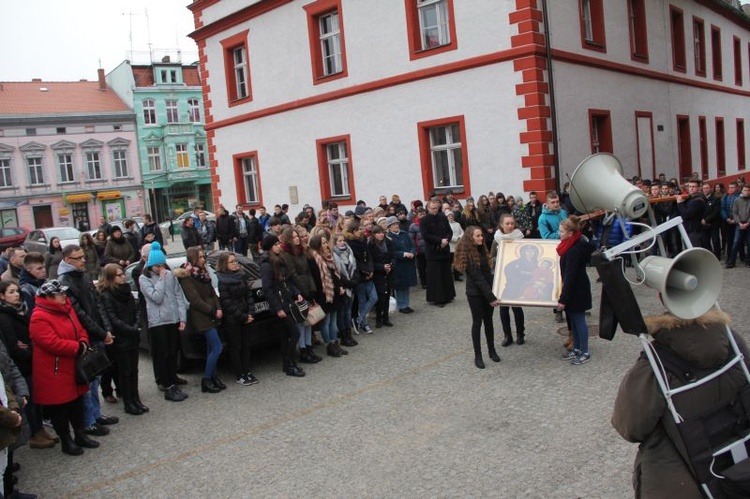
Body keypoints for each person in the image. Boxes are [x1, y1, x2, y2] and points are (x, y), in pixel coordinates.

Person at [612, 307, 750, 498]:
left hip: (677, 483)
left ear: (661, 296)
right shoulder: (732, 341)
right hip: (738, 466)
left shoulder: (654, 365)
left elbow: (629, 427)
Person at [29, 280, 98, 456]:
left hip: (72, 367)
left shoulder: (66, 309)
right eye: (60, 294)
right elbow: (51, 343)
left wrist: (83, 341)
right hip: (55, 371)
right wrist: (77, 347)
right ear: (49, 298)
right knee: (60, 409)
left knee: (76, 404)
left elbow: (80, 329)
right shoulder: (39, 316)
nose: (64, 296)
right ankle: (66, 441)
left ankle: (80, 435)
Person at [57, 245, 118, 437]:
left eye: (83, 256)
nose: (83, 260)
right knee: (88, 382)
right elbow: (80, 315)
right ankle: (88, 421)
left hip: (96, 334)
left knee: (96, 378)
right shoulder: (64, 282)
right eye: (78, 258)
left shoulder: (83, 276)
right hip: (83, 337)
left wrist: (106, 329)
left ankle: (96, 414)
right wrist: (101, 332)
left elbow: (97, 303)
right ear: (68, 260)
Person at [0, 281, 57, 450]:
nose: (16, 294)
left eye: (17, 291)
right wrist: (31, 353)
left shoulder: (20, 310)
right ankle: (35, 433)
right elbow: (13, 346)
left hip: (30, 359)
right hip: (23, 364)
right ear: (2, 296)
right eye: (11, 292)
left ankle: (40, 429)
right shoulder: (4, 316)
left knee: (36, 399)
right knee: (29, 401)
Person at [139, 242, 189, 402]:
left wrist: (182, 317)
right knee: (163, 354)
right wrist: (160, 279)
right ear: (151, 265)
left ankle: (173, 380)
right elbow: (156, 297)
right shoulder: (143, 278)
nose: (161, 268)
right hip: (158, 322)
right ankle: (167, 385)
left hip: (172, 319)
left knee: (173, 352)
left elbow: (178, 296)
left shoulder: (169, 275)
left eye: (162, 265)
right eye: (157, 266)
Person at [97, 264, 147, 416]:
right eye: (119, 275)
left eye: (122, 274)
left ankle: (136, 399)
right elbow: (112, 318)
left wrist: (137, 324)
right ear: (111, 277)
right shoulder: (106, 295)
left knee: (134, 370)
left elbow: (136, 308)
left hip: (132, 335)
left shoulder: (126, 291)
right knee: (125, 372)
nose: (123, 277)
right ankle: (128, 402)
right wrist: (131, 329)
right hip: (121, 339)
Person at [176, 247, 224, 394]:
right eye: (201, 257)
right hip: (201, 316)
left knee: (211, 348)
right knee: (217, 346)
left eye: (204, 256)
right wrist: (212, 310)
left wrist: (218, 307)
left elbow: (212, 293)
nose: (204, 259)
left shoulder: (203, 273)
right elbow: (194, 299)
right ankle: (207, 378)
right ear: (194, 259)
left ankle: (214, 377)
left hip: (212, 313)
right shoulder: (187, 276)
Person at [453, 227, 501, 369]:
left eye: (481, 235)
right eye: (478, 236)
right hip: (475, 294)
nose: (481, 238)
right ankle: (478, 355)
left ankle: (491, 350)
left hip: (487, 292)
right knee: (477, 323)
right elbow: (478, 278)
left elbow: (488, 274)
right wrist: (491, 297)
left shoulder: (483, 250)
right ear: (471, 238)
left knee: (489, 322)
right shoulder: (468, 255)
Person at [259, 235, 305, 377]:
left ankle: (288, 364)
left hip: (288, 301)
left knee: (286, 336)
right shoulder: (266, 265)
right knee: (295, 333)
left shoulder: (281, 260)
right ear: (270, 247)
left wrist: (296, 293)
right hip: (280, 305)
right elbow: (267, 288)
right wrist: (277, 308)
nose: (279, 246)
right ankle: (290, 363)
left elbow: (288, 281)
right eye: (276, 244)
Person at [216, 253, 259, 386]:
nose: (235, 263)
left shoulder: (241, 276)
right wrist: (242, 316)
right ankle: (239, 374)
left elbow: (248, 294)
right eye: (232, 262)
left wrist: (250, 312)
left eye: (235, 261)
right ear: (225, 264)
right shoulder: (222, 280)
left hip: (246, 315)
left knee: (246, 345)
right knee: (236, 347)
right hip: (233, 319)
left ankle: (247, 371)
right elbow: (226, 302)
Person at [557, 217, 595, 365]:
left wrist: (563, 299)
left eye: (561, 231)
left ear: (571, 233)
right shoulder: (570, 245)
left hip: (577, 291)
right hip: (574, 290)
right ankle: (577, 348)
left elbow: (570, 276)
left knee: (579, 321)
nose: (559, 233)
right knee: (573, 320)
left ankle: (585, 352)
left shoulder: (574, 250)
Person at [279, 227, 321, 364]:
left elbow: (307, 272)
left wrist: (311, 289)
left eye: (297, 236)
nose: (297, 238)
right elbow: (293, 275)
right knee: (301, 323)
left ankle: (309, 348)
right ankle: (303, 350)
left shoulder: (301, 251)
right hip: (298, 292)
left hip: (307, 289)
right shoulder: (286, 254)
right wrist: (302, 291)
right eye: (294, 237)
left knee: (309, 322)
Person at [308, 233, 347, 356]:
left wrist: (339, 286)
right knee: (326, 321)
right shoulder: (314, 259)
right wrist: (335, 289)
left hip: (334, 293)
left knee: (333, 320)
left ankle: (335, 342)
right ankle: (329, 345)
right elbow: (318, 279)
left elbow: (335, 274)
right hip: (324, 294)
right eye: (323, 243)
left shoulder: (328, 256)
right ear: (317, 245)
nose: (326, 245)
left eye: (326, 243)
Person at [493, 213, 526, 346]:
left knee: (517, 307)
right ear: (501, 225)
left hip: (517, 276)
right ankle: (507, 335)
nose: (510, 226)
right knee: (503, 307)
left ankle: (520, 334)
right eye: (507, 224)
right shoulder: (497, 238)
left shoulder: (519, 236)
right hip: (503, 275)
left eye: (512, 223)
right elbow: (492, 256)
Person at [419, 199, 456, 308]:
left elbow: (449, 231)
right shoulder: (424, 220)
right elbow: (425, 235)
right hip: (433, 250)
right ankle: (438, 299)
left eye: (437, 208)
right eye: (433, 208)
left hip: (444, 250)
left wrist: (446, 240)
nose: (435, 210)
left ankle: (448, 296)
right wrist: (440, 241)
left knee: (446, 274)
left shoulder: (442, 217)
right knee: (436, 276)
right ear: (428, 208)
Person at [331, 233, 359, 347]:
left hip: (350, 286)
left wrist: (354, 281)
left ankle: (349, 334)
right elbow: (338, 274)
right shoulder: (334, 255)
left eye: (343, 240)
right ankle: (344, 336)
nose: (342, 242)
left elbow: (354, 267)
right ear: (335, 243)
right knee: (341, 314)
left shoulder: (349, 252)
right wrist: (349, 283)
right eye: (339, 240)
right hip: (343, 287)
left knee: (348, 312)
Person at [387, 216, 417, 314]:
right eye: (393, 225)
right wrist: (403, 254)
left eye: (397, 224)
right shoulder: (389, 237)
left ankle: (406, 304)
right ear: (389, 227)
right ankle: (401, 305)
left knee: (407, 284)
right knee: (400, 286)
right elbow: (392, 252)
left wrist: (412, 252)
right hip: (399, 264)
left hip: (408, 263)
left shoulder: (404, 234)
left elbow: (412, 245)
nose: (396, 226)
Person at [368, 226, 395, 329]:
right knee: (380, 297)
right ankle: (379, 318)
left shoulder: (388, 242)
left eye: (382, 233)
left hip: (388, 272)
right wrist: (381, 267)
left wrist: (391, 265)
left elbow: (393, 256)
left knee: (387, 295)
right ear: (374, 234)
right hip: (378, 274)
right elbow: (371, 261)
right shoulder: (371, 245)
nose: (381, 235)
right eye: (378, 233)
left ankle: (386, 318)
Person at [726, 184, 750, 268]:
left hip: (748, 224)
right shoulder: (737, 200)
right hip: (739, 224)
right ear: (742, 191)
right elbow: (734, 212)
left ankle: (748, 261)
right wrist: (739, 223)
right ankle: (732, 262)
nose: (747, 192)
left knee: (749, 242)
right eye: (745, 190)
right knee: (736, 242)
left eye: (748, 190)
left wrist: (747, 223)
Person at [676, 179, 706, 248]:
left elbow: (687, 214)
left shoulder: (698, 200)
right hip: (688, 229)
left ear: (698, 188)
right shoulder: (690, 198)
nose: (691, 188)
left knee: (694, 252)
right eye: (690, 186)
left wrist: (680, 203)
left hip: (694, 231)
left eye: (693, 187)